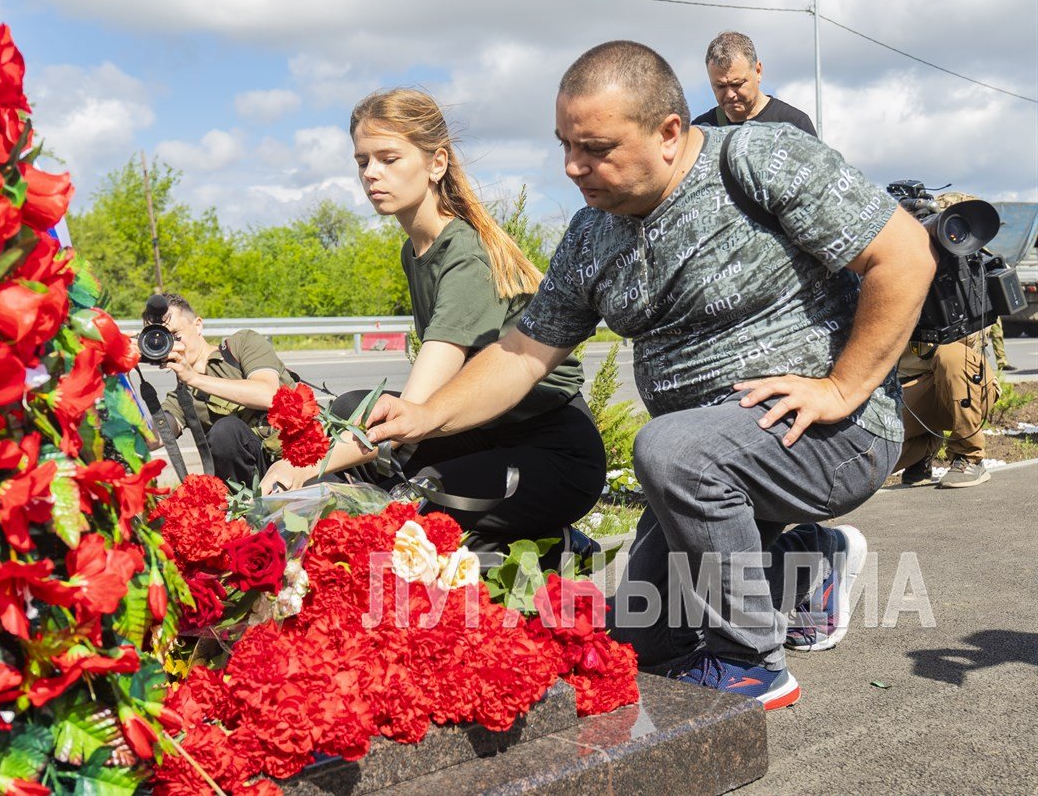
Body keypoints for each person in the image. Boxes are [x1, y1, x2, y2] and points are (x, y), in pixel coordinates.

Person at [365, 41, 936, 710]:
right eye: (564, 145)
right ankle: (805, 561)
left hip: (835, 431)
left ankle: (752, 661)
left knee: (668, 448)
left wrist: (843, 387)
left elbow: (905, 255)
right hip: (709, 464)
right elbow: (523, 351)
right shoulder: (589, 235)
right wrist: (426, 413)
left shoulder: (757, 159)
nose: (574, 166)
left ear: (669, 133)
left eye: (596, 147)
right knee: (637, 642)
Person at [260, 88, 606, 554]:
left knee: (413, 502)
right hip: (480, 432)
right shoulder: (416, 249)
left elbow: (416, 408)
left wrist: (304, 468)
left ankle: (554, 545)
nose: (371, 174)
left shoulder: (464, 255)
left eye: (388, 158)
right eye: (363, 161)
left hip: (552, 451)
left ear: (436, 164)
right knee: (351, 407)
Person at [154, 294, 297, 484]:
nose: (172, 345)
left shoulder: (241, 344)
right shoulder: (182, 397)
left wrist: (195, 378)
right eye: (162, 340)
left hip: (296, 459)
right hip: (250, 482)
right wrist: (119, 373)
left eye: (175, 335)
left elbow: (269, 395)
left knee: (225, 429)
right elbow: (153, 438)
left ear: (198, 325)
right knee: (225, 433)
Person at [897, 331, 1000, 489]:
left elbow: (972, 337)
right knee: (866, 457)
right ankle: (924, 446)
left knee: (952, 355)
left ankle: (969, 456)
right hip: (911, 389)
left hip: (965, 385)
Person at [692, 31, 817, 136]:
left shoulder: (795, 125)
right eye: (720, 86)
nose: (730, 94)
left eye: (737, 84)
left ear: (758, 71)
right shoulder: (699, 132)